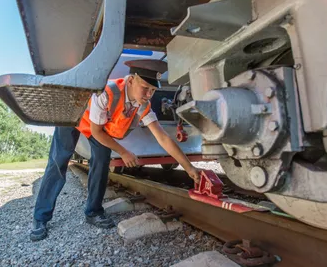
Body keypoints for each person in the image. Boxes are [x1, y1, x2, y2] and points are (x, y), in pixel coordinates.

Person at [30, 59, 201, 241]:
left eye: (153, 90)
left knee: (102, 161)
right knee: (58, 161)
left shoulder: (143, 104)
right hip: (75, 116)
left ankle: (93, 212)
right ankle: (40, 218)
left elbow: (163, 138)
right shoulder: (107, 92)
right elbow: (96, 131)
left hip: (97, 126)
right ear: (130, 81)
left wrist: (189, 168)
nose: (149, 94)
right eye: (145, 88)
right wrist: (124, 152)